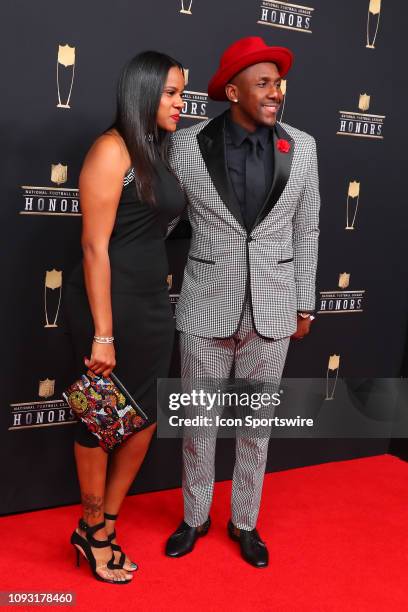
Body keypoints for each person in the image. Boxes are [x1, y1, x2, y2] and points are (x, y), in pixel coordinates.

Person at [165, 36, 320, 568]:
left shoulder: (303, 147)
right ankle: (195, 516)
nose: (276, 91)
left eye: (279, 82)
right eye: (263, 82)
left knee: (256, 427)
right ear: (232, 90)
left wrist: (305, 305)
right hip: (207, 306)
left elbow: (308, 229)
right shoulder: (185, 146)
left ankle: (245, 521)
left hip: (273, 312)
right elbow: (161, 212)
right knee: (199, 425)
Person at [65, 51, 185, 583]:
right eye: (172, 93)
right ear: (143, 92)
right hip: (107, 307)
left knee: (144, 417)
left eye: (182, 93)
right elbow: (94, 247)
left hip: (152, 305)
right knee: (99, 419)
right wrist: (103, 333)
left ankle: (107, 522)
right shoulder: (110, 150)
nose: (181, 104)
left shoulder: (156, 152)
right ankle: (91, 532)